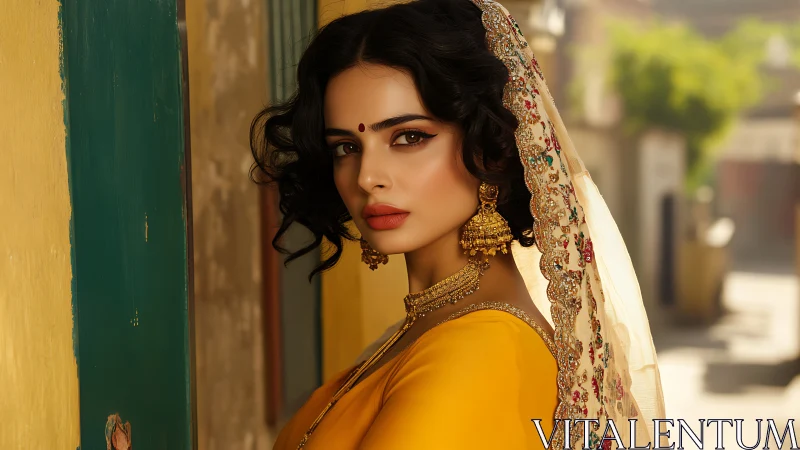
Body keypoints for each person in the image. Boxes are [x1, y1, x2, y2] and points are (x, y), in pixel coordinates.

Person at [250, 0, 666, 448]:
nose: (367, 177)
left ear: (490, 148)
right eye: (346, 148)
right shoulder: (425, 331)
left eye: (409, 137)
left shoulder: (481, 349)